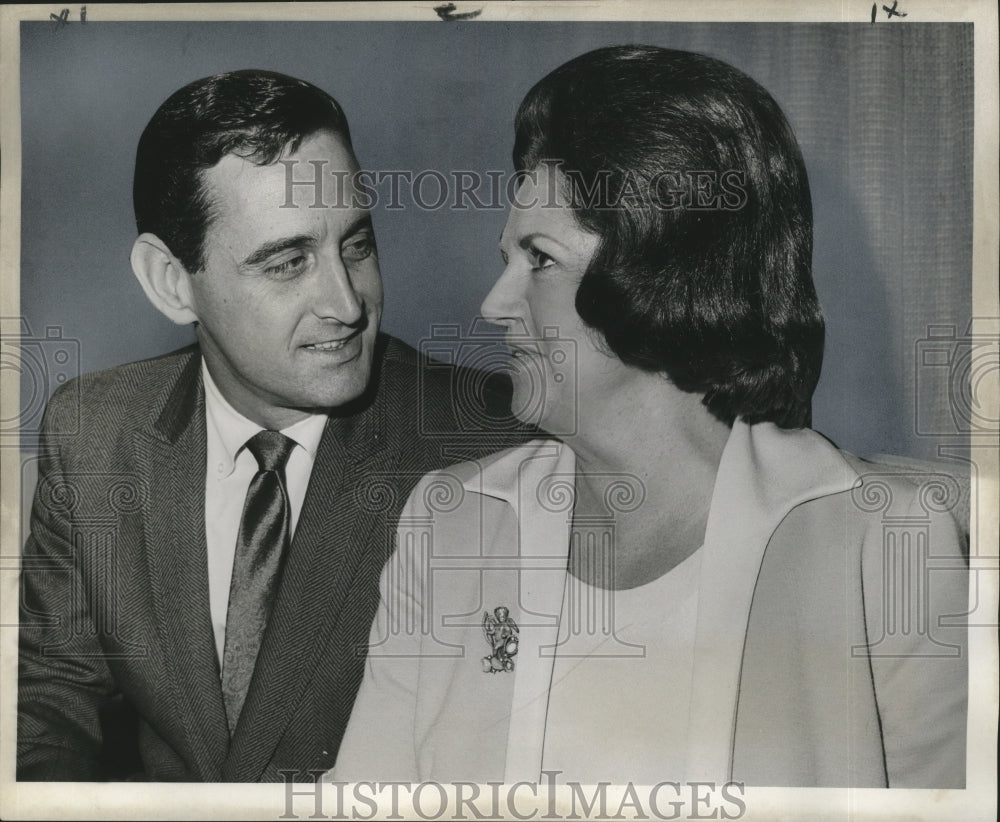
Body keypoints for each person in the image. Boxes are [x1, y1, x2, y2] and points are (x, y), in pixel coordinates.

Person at [333, 46, 969, 788]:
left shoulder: (883, 546)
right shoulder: (450, 523)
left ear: (663, 274)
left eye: (539, 260)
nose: (495, 305)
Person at [17, 70, 526, 781]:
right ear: (171, 281)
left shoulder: (494, 445)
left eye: (356, 245)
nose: (347, 304)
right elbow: (46, 705)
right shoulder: (91, 431)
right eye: (288, 262)